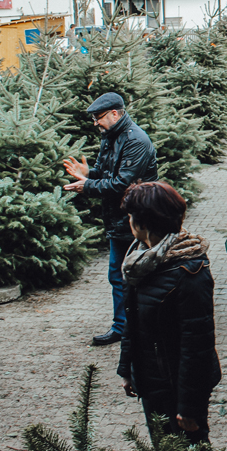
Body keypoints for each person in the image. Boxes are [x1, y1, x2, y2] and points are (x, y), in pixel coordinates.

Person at [116, 181, 220, 445]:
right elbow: (133, 319)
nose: (129, 222)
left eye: (130, 217)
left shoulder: (189, 272)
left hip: (176, 386)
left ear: (144, 223)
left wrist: (189, 406)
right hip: (152, 382)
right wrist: (127, 369)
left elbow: (197, 346)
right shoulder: (140, 261)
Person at [63, 93, 158, 346]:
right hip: (119, 219)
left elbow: (122, 183)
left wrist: (88, 185)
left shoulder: (135, 140)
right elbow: (108, 173)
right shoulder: (111, 136)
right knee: (118, 275)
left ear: (115, 114)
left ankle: (131, 328)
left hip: (136, 220)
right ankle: (124, 326)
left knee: (128, 274)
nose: (96, 123)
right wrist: (89, 173)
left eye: (99, 118)